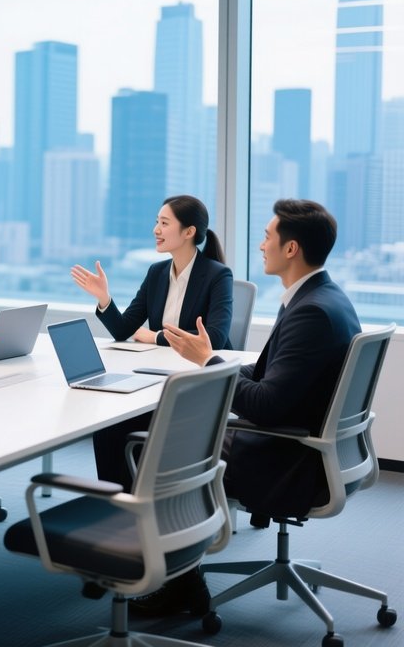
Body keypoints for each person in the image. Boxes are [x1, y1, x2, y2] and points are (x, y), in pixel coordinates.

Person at [131, 198, 361, 618]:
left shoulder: (311, 312)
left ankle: (180, 582)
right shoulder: (324, 297)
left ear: (291, 249)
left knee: (166, 454)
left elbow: (267, 406)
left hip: (291, 456)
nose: (261, 245)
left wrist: (208, 362)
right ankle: (177, 566)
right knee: (180, 434)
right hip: (309, 442)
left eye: (267, 237)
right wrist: (220, 368)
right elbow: (272, 375)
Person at [71, 195, 233, 487]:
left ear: (189, 232)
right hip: (159, 376)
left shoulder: (217, 276)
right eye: (157, 222)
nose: (156, 229)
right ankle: (119, 503)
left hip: (198, 382)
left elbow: (216, 338)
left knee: (119, 428)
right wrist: (104, 298)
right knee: (109, 426)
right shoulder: (157, 273)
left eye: (164, 223)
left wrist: (156, 336)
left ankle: (138, 503)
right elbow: (124, 329)